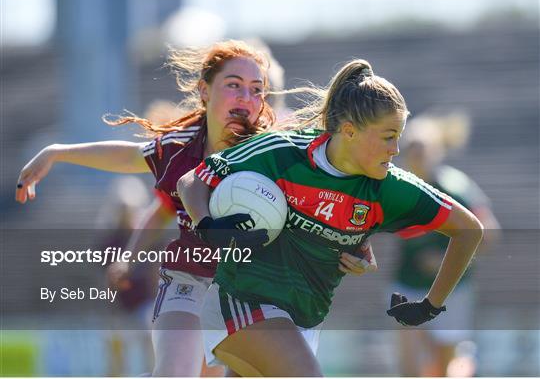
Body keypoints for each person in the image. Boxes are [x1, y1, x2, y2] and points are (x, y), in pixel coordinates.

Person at [16, 40, 375, 377]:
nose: (246, 97)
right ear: (205, 91)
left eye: (256, 89)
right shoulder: (179, 147)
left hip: (256, 290)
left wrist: (357, 245)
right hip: (189, 280)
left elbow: (330, 196)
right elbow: (127, 158)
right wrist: (57, 152)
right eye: (233, 84)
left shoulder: (275, 152)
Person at [177, 59, 485, 377]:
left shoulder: (389, 187)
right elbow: (192, 181)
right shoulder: (283, 151)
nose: (396, 149)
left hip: (305, 321)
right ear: (349, 131)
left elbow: (469, 230)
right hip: (242, 300)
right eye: (388, 136)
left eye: (399, 137)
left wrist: (429, 305)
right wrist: (207, 226)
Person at [391, 113, 500, 377]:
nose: (415, 156)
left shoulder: (455, 188)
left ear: (436, 152)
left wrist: (444, 262)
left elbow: (489, 235)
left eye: (422, 149)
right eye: (410, 149)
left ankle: (463, 361)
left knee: (444, 367)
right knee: (409, 365)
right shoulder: (398, 186)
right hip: (408, 283)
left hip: (453, 288)